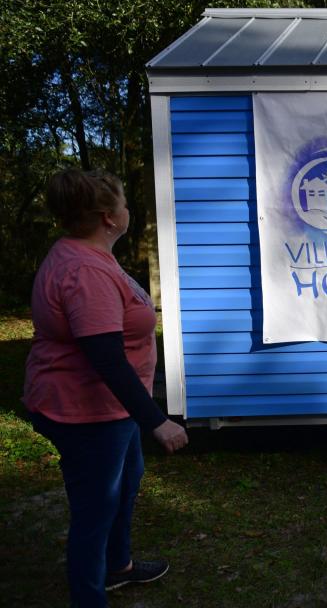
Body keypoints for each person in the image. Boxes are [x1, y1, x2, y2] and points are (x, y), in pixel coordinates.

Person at [23, 169, 189, 607]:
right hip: (85, 410)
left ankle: (118, 567)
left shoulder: (88, 253)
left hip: (112, 410)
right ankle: (89, 596)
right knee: (95, 510)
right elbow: (106, 359)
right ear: (108, 217)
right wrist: (156, 420)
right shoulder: (85, 270)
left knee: (126, 480)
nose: (128, 209)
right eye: (122, 203)